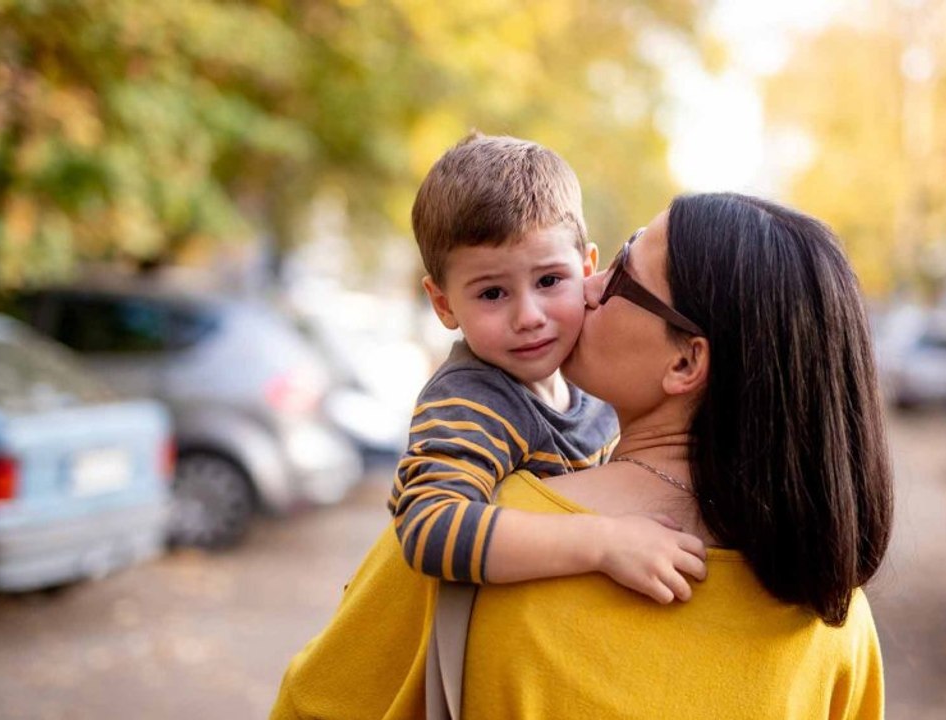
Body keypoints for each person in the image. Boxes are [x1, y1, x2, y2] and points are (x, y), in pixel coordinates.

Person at [271, 192, 893, 719]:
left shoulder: (475, 534)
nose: (585, 287)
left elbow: (311, 706)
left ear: (685, 361)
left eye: (622, 273)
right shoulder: (834, 616)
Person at [390, 132, 706, 599]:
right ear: (443, 304)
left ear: (587, 268)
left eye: (549, 280)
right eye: (492, 293)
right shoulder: (472, 399)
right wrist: (603, 542)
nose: (529, 317)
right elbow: (430, 526)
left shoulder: (596, 390)